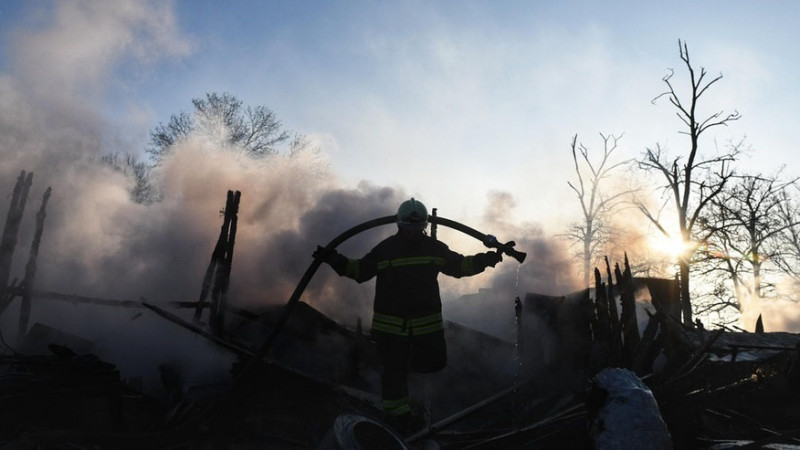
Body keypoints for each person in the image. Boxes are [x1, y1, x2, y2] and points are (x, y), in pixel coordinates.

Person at [313, 197, 505, 429]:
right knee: (393, 374)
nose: (412, 233)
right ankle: (399, 419)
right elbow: (360, 270)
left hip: (426, 327)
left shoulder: (434, 248)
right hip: (390, 328)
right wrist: (334, 259)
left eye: (417, 228)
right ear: (399, 225)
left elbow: (460, 266)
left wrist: (486, 259)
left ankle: (418, 406)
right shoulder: (385, 250)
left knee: (431, 365)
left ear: (423, 226)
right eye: (408, 228)